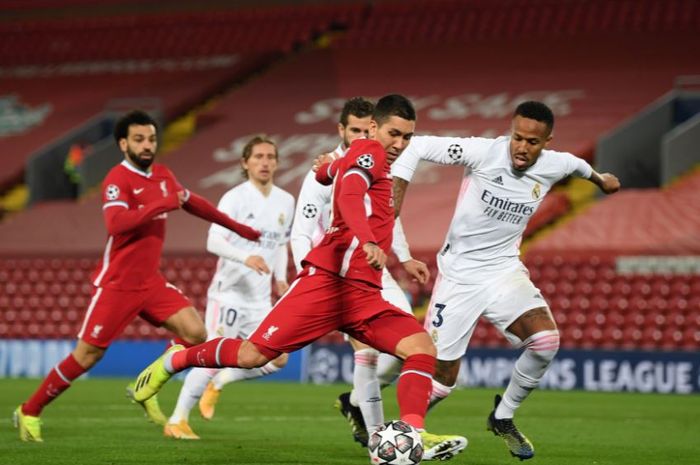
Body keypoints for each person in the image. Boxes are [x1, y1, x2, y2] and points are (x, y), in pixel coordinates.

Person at [130, 94, 466, 460]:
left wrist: (325, 170)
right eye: (393, 134)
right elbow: (352, 194)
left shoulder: (368, 158)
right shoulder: (370, 151)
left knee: (420, 348)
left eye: (407, 137)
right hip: (325, 284)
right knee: (251, 355)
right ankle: (175, 361)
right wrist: (368, 239)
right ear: (373, 128)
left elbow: (336, 174)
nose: (400, 144)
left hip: (363, 295)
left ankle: (412, 435)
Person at [391, 101, 621, 460]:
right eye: (517, 138)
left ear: (547, 142)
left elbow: (579, 166)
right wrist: (394, 204)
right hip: (460, 276)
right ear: (509, 132)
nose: (522, 147)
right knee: (442, 380)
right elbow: (417, 146)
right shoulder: (483, 152)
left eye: (532, 141)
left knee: (545, 342)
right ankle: (404, 436)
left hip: (503, 270)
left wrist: (601, 179)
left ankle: (503, 416)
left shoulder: (555, 164)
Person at [13, 110, 261, 442]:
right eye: (139, 139)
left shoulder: (162, 174)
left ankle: (146, 384)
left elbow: (194, 203)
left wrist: (240, 228)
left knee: (195, 332)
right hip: (118, 283)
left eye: (152, 139)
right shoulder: (117, 179)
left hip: (151, 282)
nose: (147, 145)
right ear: (123, 144)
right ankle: (29, 410)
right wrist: (159, 204)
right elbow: (116, 224)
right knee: (87, 356)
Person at [284, 96, 464, 461]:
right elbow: (301, 231)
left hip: (374, 273)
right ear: (343, 130)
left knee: (411, 347)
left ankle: (357, 405)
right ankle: (384, 443)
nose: (362, 135)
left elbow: (386, 217)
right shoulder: (325, 172)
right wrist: (307, 271)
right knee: (366, 353)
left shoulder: (378, 163)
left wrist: (405, 256)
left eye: (366, 129)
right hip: (333, 275)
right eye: (353, 129)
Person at [164, 136, 294, 439]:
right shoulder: (235, 198)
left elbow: (281, 243)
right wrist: (245, 257)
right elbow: (213, 240)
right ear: (245, 163)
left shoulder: (286, 200)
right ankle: (177, 420)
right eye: (258, 156)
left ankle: (220, 383)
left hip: (261, 299)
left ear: (276, 162)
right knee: (212, 356)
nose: (265, 162)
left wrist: (280, 277)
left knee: (278, 358)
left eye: (270, 157)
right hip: (229, 294)